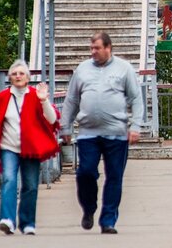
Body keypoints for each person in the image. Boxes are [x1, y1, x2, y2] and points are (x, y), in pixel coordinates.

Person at [60, 32, 144, 235]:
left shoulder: (123, 69)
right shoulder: (82, 69)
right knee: (85, 172)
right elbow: (71, 100)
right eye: (91, 48)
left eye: (97, 48)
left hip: (116, 134)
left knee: (114, 177)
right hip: (88, 133)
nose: (93, 52)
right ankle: (89, 209)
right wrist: (65, 127)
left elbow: (136, 99)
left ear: (108, 48)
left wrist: (135, 126)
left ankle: (108, 221)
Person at [0, 60, 60, 235]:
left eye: (21, 73)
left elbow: (52, 119)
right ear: (9, 77)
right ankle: (7, 219)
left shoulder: (35, 95)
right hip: (9, 146)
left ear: (28, 77)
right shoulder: (3, 98)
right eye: (14, 74)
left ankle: (27, 222)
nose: (18, 76)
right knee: (9, 179)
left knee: (30, 185)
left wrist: (44, 100)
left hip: (30, 148)